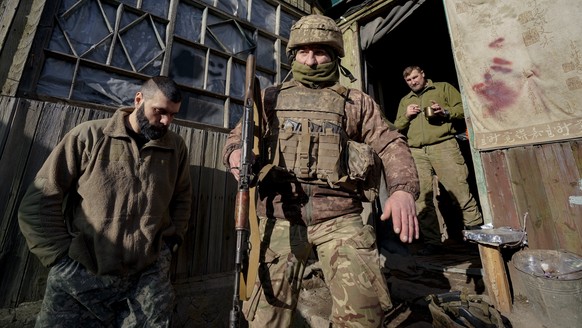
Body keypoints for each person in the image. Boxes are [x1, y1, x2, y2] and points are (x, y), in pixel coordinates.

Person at [223, 15, 420, 327]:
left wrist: (402, 190)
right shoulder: (271, 97)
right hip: (280, 218)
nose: (311, 60)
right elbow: (239, 136)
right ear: (293, 55)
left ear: (334, 56)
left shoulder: (356, 101)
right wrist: (235, 153)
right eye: (303, 52)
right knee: (264, 318)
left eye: (320, 52)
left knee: (364, 318)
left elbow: (390, 143)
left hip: (340, 217)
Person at [18, 76, 192, 327]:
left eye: (173, 115)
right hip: (83, 277)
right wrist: (60, 258)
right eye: (160, 112)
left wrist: (167, 248)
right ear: (138, 100)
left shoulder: (175, 147)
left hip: (148, 279)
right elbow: (39, 200)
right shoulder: (89, 136)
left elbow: (182, 199)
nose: (166, 121)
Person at [393, 66, 483, 255]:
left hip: (443, 145)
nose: (413, 82)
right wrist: (406, 116)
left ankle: (476, 237)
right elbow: (396, 127)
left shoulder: (442, 88)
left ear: (423, 74)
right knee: (422, 197)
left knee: (459, 190)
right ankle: (433, 242)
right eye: (409, 80)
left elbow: (463, 108)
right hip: (416, 151)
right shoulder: (405, 101)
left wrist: (445, 111)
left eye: (415, 77)